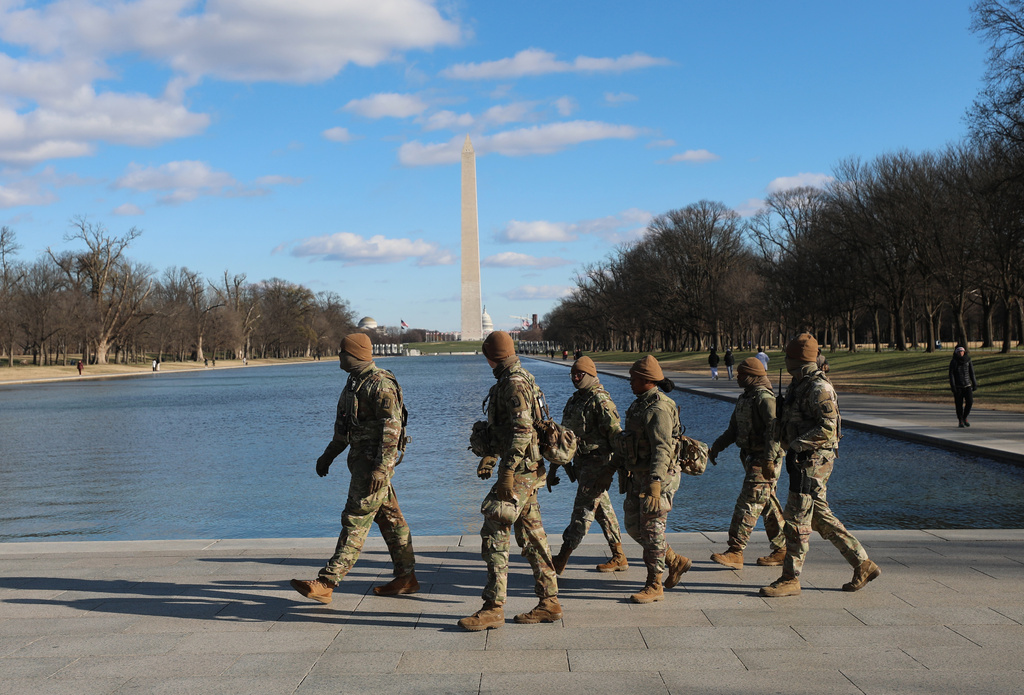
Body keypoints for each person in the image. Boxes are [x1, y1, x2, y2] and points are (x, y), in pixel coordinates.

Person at [290, 333, 418, 604]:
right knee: (390, 519)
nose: (338, 356)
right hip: (360, 463)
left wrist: (381, 469)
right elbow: (342, 431)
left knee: (355, 517)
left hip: (374, 466)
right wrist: (328, 456)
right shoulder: (353, 384)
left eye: (342, 352)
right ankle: (406, 577)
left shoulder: (381, 383)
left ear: (355, 354)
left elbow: (391, 429)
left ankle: (327, 582)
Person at [760, 333, 880, 598]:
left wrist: (798, 446)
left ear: (800, 360)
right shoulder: (798, 385)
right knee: (818, 516)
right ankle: (863, 564)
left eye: (789, 357)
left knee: (797, 517)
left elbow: (829, 429)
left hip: (812, 462)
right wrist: (775, 452)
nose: (786, 361)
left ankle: (791, 578)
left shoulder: (818, 388)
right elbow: (785, 424)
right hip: (801, 460)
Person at [459, 331, 560, 631]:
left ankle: (494, 607)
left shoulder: (514, 382)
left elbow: (522, 431)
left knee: (494, 529)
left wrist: (507, 471)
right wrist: (491, 457)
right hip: (525, 467)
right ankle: (550, 601)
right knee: (532, 535)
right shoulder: (516, 377)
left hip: (519, 471)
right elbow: (507, 429)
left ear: (491, 356)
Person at [617, 355, 691, 603]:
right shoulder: (640, 404)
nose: (630, 382)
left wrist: (656, 485)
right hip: (639, 476)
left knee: (652, 530)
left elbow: (662, 448)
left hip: (656, 478)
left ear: (647, 380)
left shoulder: (658, 408)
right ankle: (674, 561)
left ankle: (654, 584)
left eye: (634, 378)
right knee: (634, 526)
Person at [549, 356, 627, 574]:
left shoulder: (601, 401)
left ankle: (563, 556)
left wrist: (615, 469)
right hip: (581, 464)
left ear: (590, 375)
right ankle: (619, 555)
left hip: (598, 464)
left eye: (579, 374)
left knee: (582, 511)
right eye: (573, 374)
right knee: (602, 509)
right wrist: (554, 468)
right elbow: (562, 437)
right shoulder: (575, 400)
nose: (575, 378)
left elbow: (616, 437)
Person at [707, 357, 786, 569]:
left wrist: (769, 459)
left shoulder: (764, 399)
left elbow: (774, 432)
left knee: (748, 502)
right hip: (750, 457)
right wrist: (716, 447)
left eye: (742, 375)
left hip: (765, 459)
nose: (738, 378)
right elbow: (733, 430)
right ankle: (782, 549)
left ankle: (735, 551)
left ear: (753, 376)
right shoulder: (745, 398)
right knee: (767, 503)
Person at [948, 345, 978, 428]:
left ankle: (965, 417)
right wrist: (953, 386)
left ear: (964, 352)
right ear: (956, 353)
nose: (961, 353)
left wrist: (974, 383)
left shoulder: (968, 360)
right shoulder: (954, 362)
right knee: (959, 405)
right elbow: (951, 375)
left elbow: (972, 373)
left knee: (970, 402)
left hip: (967, 385)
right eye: (959, 351)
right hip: (958, 387)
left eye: (962, 351)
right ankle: (960, 420)